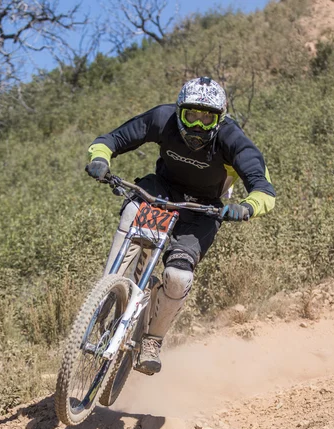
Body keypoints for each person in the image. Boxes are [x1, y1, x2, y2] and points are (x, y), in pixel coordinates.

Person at [85, 76, 275, 376]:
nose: (198, 126)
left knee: (177, 276)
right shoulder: (163, 119)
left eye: (207, 118)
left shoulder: (232, 138)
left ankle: (152, 340)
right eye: (191, 115)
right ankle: (106, 292)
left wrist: (246, 208)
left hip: (204, 207)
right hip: (160, 190)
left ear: (220, 118)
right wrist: (100, 159)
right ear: (178, 111)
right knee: (131, 210)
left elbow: (264, 189)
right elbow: (110, 140)